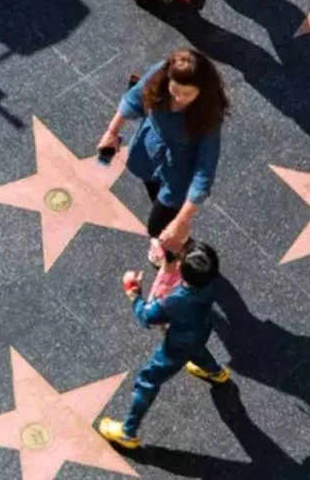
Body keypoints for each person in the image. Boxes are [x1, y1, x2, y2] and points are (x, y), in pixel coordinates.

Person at [96, 48, 229, 267]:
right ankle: (175, 230)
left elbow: (205, 171)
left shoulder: (209, 117)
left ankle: (173, 244)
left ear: (202, 91)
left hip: (178, 172)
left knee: (156, 226)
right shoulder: (160, 73)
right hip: (148, 152)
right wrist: (111, 132)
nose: (178, 98)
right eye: (174, 90)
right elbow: (134, 98)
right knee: (152, 188)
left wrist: (183, 219)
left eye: (187, 94)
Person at [99, 241, 231, 448]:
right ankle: (216, 373)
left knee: (147, 379)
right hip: (202, 328)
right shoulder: (211, 282)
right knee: (197, 351)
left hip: (177, 344)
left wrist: (133, 292)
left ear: (179, 268)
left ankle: (128, 432)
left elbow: (146, 317)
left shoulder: (175, 301)